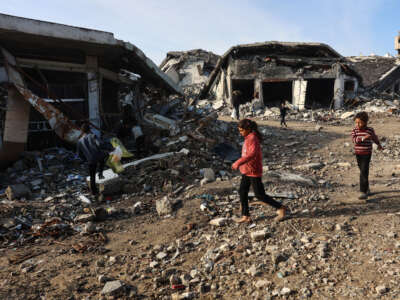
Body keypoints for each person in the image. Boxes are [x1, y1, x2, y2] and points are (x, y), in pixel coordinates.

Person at [232, 119, 287, 223]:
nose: (240, 133)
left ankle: (281, 208)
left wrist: (238, 162)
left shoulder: (252, 138)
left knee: (259, 194)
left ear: (248, 129)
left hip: (253, 171)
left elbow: (252, 154)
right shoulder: (248, 137)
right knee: (242, 191)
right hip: (247, 170)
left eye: (241, 130)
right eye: (239, 130)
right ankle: (245, 216)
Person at [351, 112, 383, 200]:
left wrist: (379, 145)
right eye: (356, 122)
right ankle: (367, 188)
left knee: (363, 172)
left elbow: (374, 138)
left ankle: (363, 192)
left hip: (367, 154)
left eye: (359, 122)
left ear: (365, 122)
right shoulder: (355, 130)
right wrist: (363, 138)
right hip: (358, 154)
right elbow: (354, 140)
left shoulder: (370, 130)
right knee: (363, 171)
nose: (357, 124)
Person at [77, 123, 108, 196]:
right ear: (89, 130)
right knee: (104, 158)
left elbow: (79, 154)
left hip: (90, 160)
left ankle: (94, 192)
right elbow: (100, 144)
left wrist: (85, 159)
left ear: (82, 131)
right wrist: (107, 148)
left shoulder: (79, 141)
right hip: (98, 156)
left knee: (92, 176)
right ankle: (100, 173)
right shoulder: (93, 136)